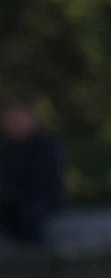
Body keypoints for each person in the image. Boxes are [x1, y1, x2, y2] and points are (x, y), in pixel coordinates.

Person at [0, 96, 64, 244]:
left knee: (27, 220)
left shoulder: (45, 145)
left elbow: (43, 179)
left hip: (38, 198)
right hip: (10, 199)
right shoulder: (6, 147)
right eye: (9, 120)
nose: (13, 124)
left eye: (17, 120)